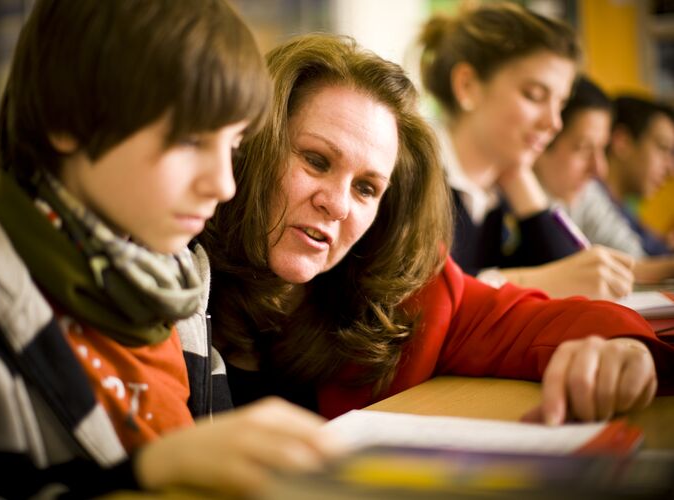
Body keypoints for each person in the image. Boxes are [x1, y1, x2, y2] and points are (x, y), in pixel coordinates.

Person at [0, 1, 338, 498]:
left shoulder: (177, 291)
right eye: (189, 140)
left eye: (232, 147)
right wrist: (150, 472)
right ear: (68, 120)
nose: (224, 184)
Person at [200, 32, 674, 433]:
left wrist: (622, 349)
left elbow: (547, 323)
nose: (338, 204)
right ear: (249, 147)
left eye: (367, 188)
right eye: (316, 160)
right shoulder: (163, 269)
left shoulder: (404, 295)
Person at [418, 2, 636, 300]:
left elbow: (577, 279)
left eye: (560, 103)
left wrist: (522, 182)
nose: (554, 123)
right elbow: (417, 306)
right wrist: (518, 281)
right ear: (467, 86)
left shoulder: (497, 190)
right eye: (534, 96)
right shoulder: (413, 177)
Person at [534, 76, 674, 283]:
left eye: (601, 148)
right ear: (543, 141)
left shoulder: (584, 193)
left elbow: (634, 262)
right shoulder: (505, 197)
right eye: (583, 148)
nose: (600, 169)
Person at [605, 95, 674, 256]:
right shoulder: (589, 200)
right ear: (622, 142)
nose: (670, 170)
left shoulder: (627, 211)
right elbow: (640, 261)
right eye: (663, 148)